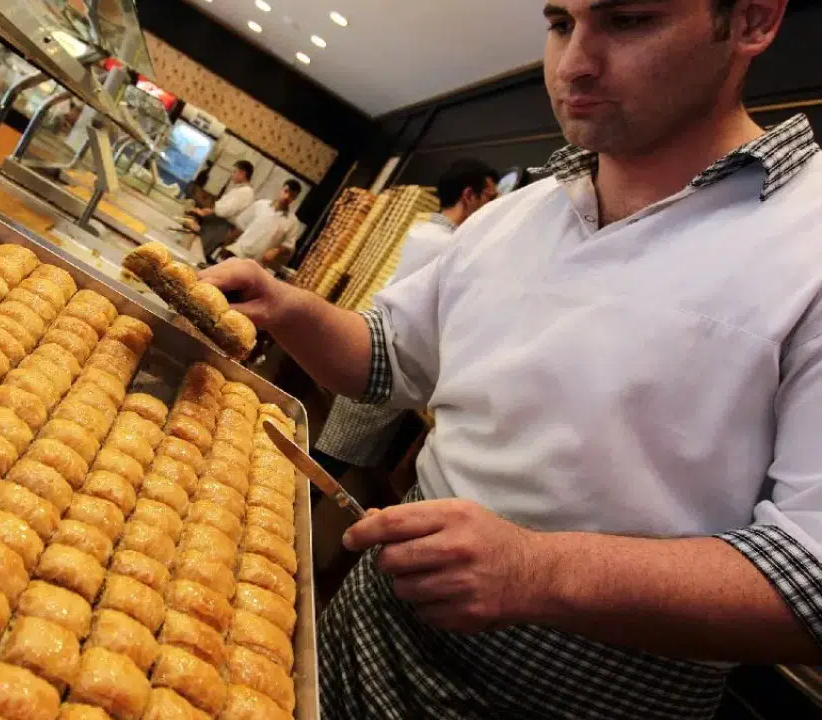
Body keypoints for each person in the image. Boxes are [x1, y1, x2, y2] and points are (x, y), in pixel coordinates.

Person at [200, 0, 822, 717]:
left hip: (578, 698)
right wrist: (286, 307)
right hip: (365, 627)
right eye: (561, 24)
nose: (575, 63)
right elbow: (387, 361)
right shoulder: (519, 214)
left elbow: (808, 579)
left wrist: (536, 570)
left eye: (629, 20)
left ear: (752, 21)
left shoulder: (802, 238)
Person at [312, 161, 499, 480]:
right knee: (327, 465)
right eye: (491, 197)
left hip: (381, 349)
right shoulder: (449, 246)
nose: (494, 207)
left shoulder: (424, 230)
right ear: (470, 196)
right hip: (392, 361)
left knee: (327, 458)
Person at [222, 179, 303, 265]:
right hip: (237, 252)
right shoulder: (260, 205)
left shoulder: (292, 221)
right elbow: (240, 226)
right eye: (286, 191)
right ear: (281, 189)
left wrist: (277, 250)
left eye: (292, 196)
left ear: (294, 199)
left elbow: (288, 246)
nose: (287, 197)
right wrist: (226, 245)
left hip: (256, 264)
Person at [187, 160, 256, 257]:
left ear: (242, 173)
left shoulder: (246, 192)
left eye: (234, 172)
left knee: (198, 252)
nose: (232, 175)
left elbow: (226, 210)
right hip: (217, 222)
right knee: (195, 248)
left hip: (220, 226)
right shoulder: (241, 189)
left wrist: (209, 211)